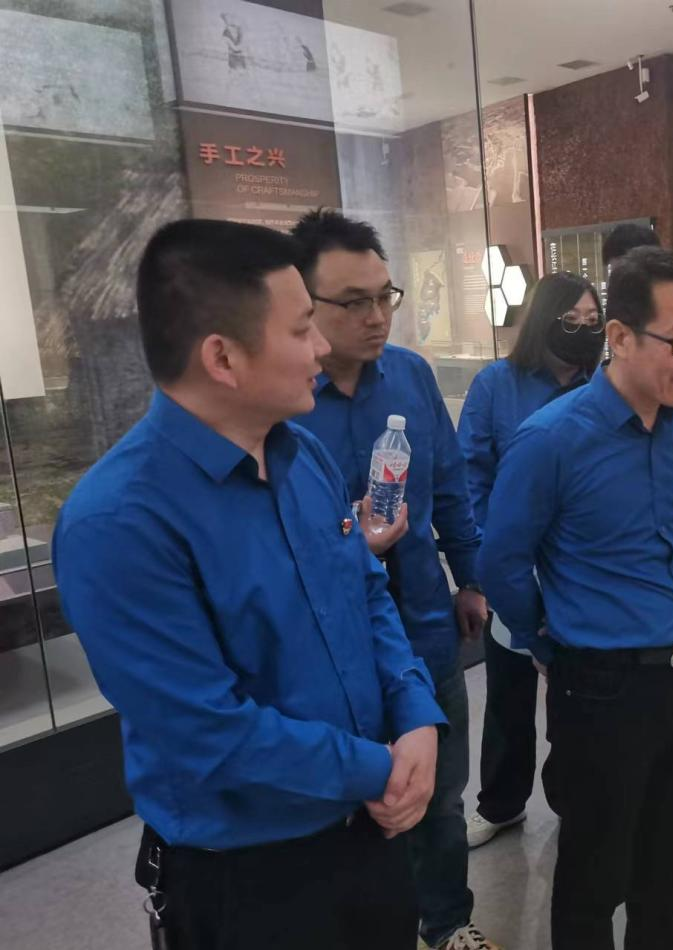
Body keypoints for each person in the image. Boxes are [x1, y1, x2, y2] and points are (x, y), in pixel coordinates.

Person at [52, 219, 446, 950]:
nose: (321, 348)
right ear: (223, 357)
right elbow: (206, 730)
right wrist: (379, 767)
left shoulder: (304, 456)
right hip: (251, 875)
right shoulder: (119, 522)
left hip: (370, 830)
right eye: (301, 330)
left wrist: (415, 713)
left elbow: (365, 593)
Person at [478, 246, 673, 950]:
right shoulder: (551, 440)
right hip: (604, 689)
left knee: (665, 868)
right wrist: (544, 640)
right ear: (619, 337)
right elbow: (501, 561)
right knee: (593, 876)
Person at [289, 210, 498, 950]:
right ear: (302, 303)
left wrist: (470, 579)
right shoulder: (287, 400)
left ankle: (448, 924)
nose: (376, 316)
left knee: (440, 796)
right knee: (357, 806)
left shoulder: (409, 375)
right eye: (353, 302)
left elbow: (450, 490)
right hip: (331, 641)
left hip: (424, 623)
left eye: (385, 296)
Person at [458, 272, 605, 849]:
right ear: (544, 320)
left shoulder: (604, 386)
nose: (584, 331)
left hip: (577, 565)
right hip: (512, 559)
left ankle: (574, 801)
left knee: (575, 694)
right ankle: (501, 802)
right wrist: (487, 557)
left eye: (593, 321)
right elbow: (472, 475)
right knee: (509, 693)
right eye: (572, 320)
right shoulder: (497, 384)